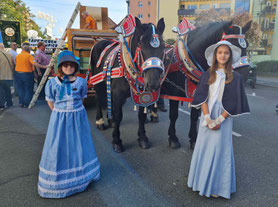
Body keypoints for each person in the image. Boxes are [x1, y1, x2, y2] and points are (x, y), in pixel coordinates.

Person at [187, 40, 250, 199]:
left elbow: (234, 102)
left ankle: (217, 186)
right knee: (204, 148)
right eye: (220, 52)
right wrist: (208, 118)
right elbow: (202, 97)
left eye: (226, 53)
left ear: (230, 56)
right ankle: (200, 183)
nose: (223, 55)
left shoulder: (235, 77)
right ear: (215, 55)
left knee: (220, 151)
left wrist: (218, 121)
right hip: (207, 116)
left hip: (224, 117)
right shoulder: (207, 74)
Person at [38, 51, 100, 198]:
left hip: (78, 117)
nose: (68, 67)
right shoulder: (52, 82)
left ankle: (82, 177)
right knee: (59, 145)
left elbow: (82, 98)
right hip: (59, 119)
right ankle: (59, 181)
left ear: (75, 66)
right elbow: (50, 100)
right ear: (60, 67)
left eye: (71, 65)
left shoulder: (81, 82)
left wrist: (73, 111)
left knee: (79, 144)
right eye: (65, 65)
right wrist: (59, 113)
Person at [0, 43, 15, 109]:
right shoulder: (9, 54)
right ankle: (9, 104)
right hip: (8, 76)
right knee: (8, 91)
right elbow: (13, 65)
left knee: (1, 92)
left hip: (1, 76)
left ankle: (1, 105)